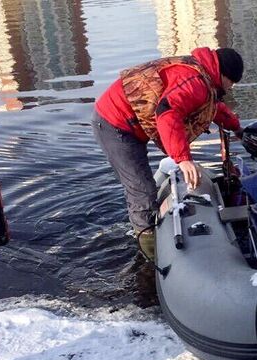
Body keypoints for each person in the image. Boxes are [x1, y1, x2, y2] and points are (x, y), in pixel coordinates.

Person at [92, 47, 244, 260]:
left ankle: (148, 232)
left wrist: (236, 127)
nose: (231, 88)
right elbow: (167, 111)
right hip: (115, 123)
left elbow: (213, 108)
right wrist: (183, 159)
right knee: (142, 192)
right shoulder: (196, 82)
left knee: (142, 187)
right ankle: (151, 256)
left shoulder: (201, 75)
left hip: (128, 122)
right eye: (232, 82)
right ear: (225, 75)